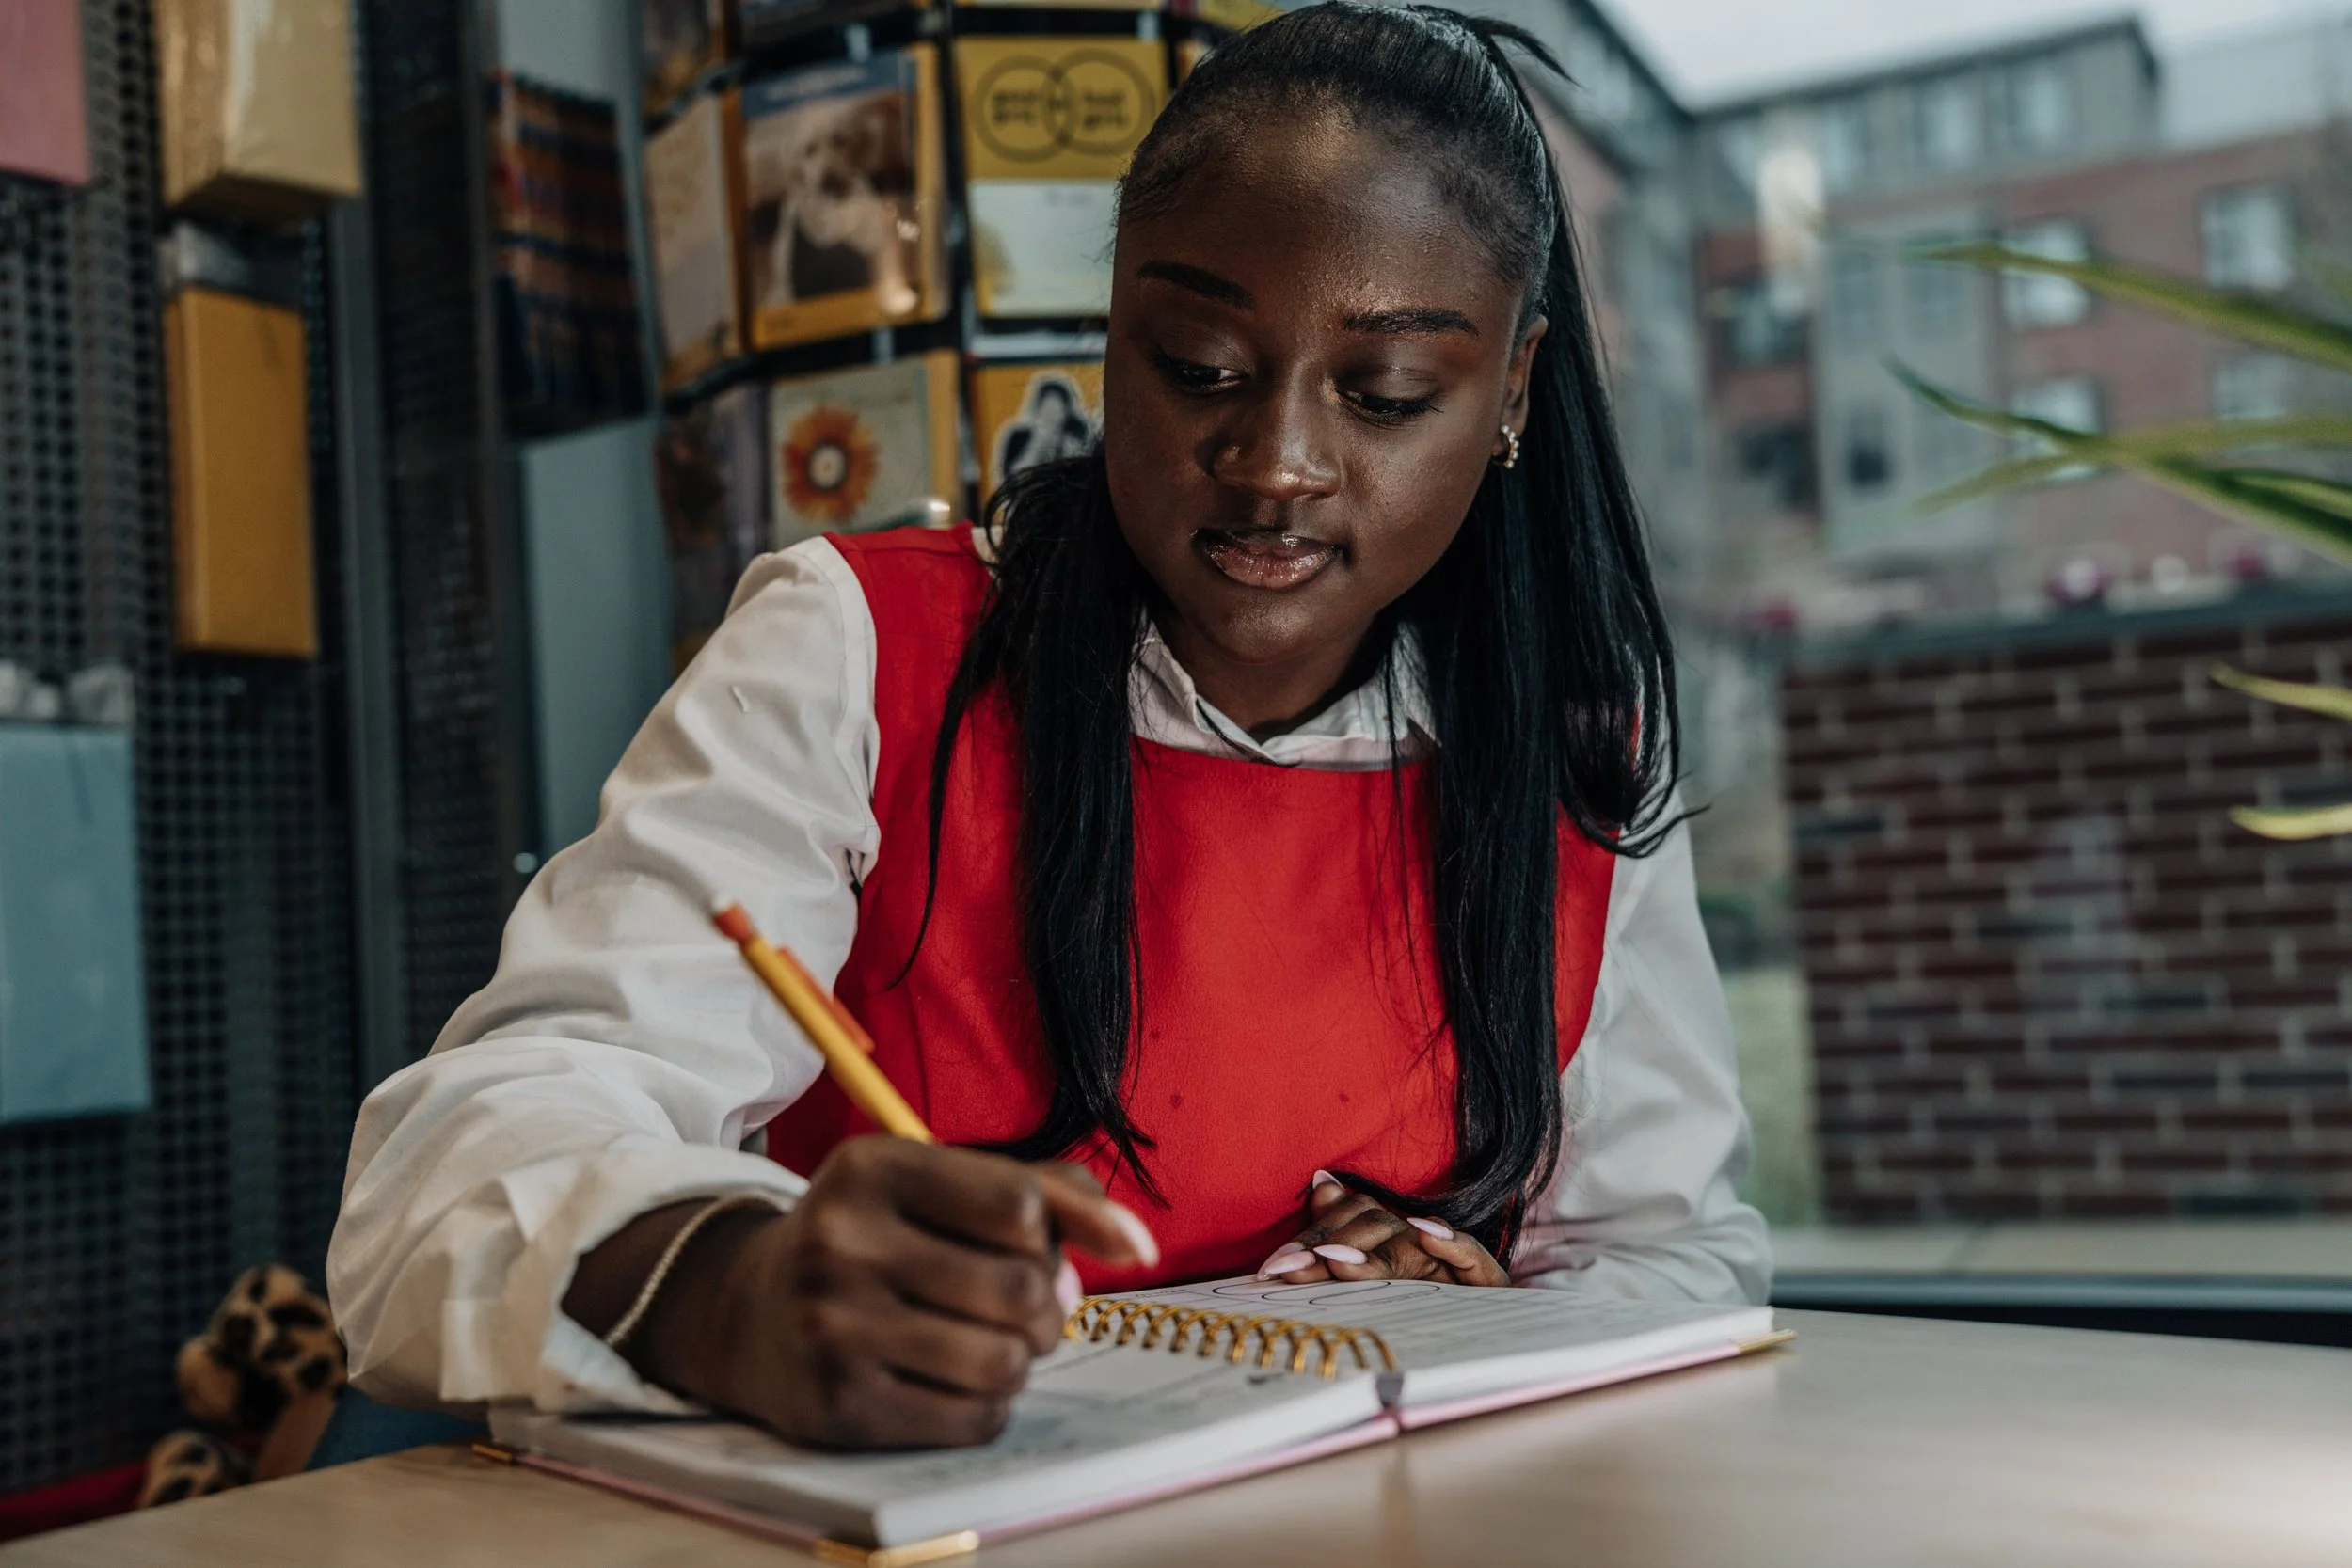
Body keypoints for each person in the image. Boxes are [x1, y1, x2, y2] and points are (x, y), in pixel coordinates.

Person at [328, 2, 1768, 1455]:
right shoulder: (864, 652)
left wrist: (1473, 1306)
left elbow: (1680, 1261)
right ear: (1112, 334)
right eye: (1199, 364)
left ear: (1508, 392)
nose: (1274, 462)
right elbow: (439, 1189)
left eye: (1385, 393)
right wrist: (732, 1289)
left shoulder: (1571, 756)